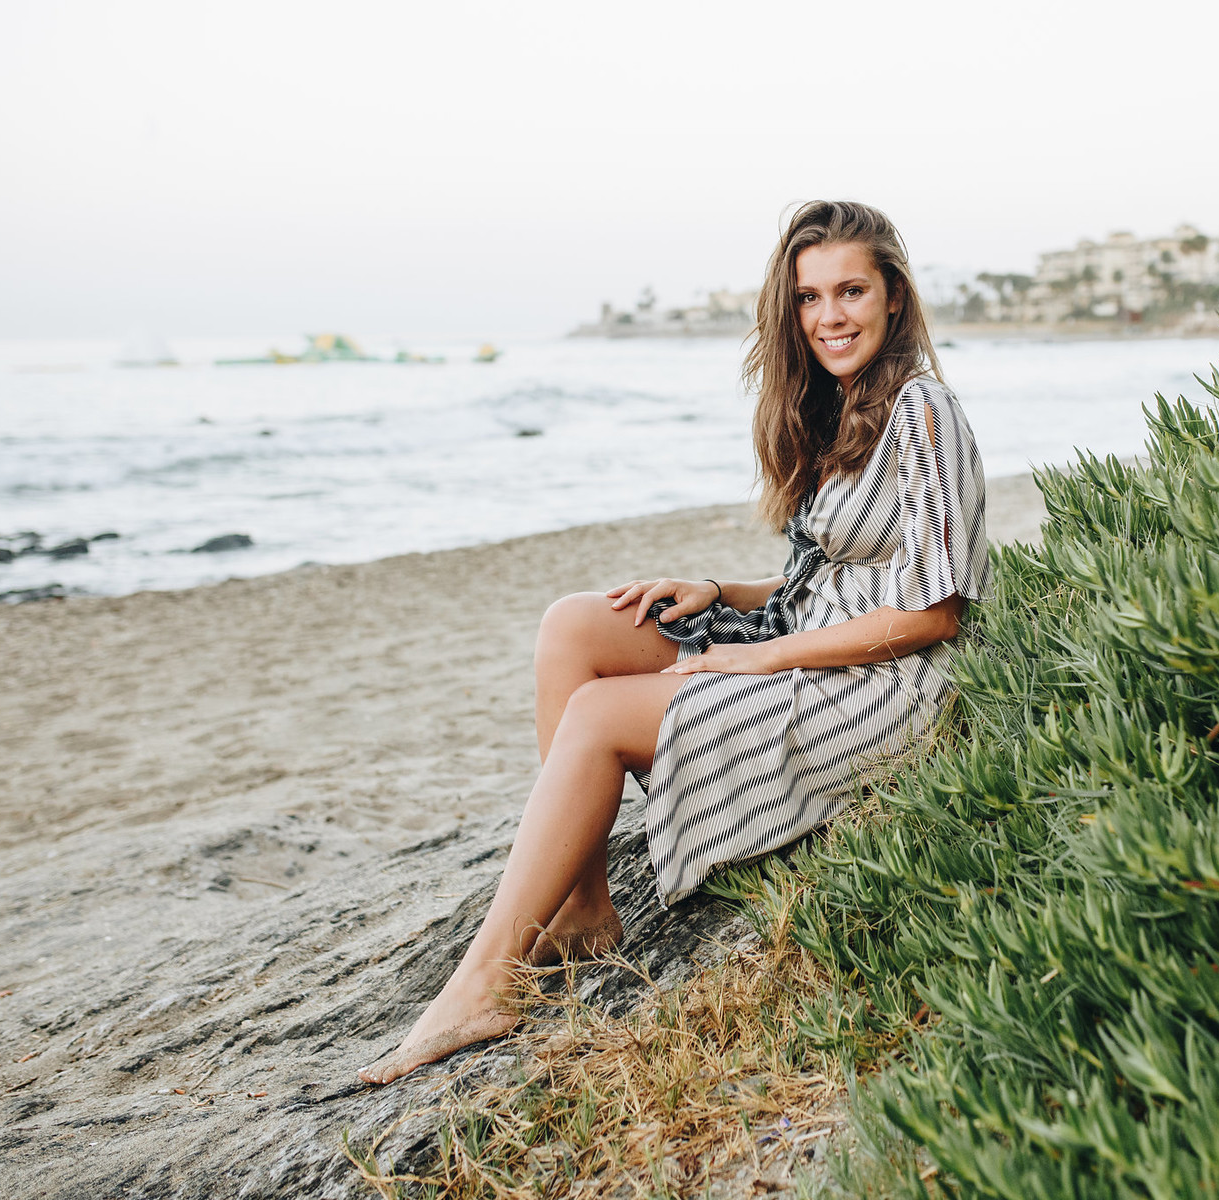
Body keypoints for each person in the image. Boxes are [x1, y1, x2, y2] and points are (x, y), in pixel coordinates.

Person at [359, 200, 989, 1085]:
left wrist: (760, 655)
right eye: (810, 298)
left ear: (893, 298)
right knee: (574, 626)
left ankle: (483, 982)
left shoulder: (924, 410)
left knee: (600, 713)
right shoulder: (844, 406)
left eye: (851, 291)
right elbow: (842, 577)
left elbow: (934, 614)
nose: (830, 316)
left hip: (893, 683)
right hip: (817, 634)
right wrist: (720, 593)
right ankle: (582, 907)